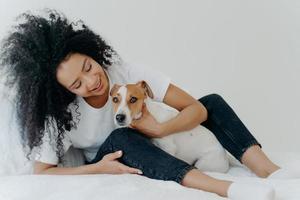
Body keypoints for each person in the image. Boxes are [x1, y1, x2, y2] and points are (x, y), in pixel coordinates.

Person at [0, 9, 298, 200]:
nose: (91, 82)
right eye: (77, 84)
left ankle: (267, 169)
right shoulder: (62, 117)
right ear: (62, 92)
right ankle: (224, 188)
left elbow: (198, 109)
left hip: (153, 137)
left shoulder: (126, 73)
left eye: (89, 67)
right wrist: (98, 169)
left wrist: (160, 128)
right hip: (116, 152)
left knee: (213, 101)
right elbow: (43, 172)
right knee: (122, 135)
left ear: (91, 52)